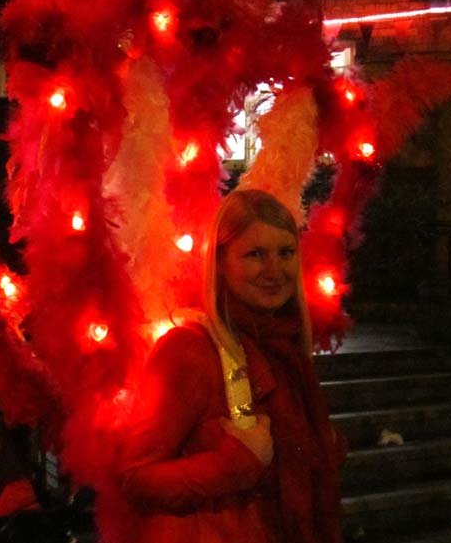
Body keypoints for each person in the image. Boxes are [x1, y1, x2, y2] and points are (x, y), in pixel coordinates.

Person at [119, 189, 346, 542]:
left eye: (285, 252)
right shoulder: (190, 350)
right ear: (221, 263)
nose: (275, 270)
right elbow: (136, 479)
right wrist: (234, 464)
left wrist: (317, 444)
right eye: (255, 254)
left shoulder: (285, 349)